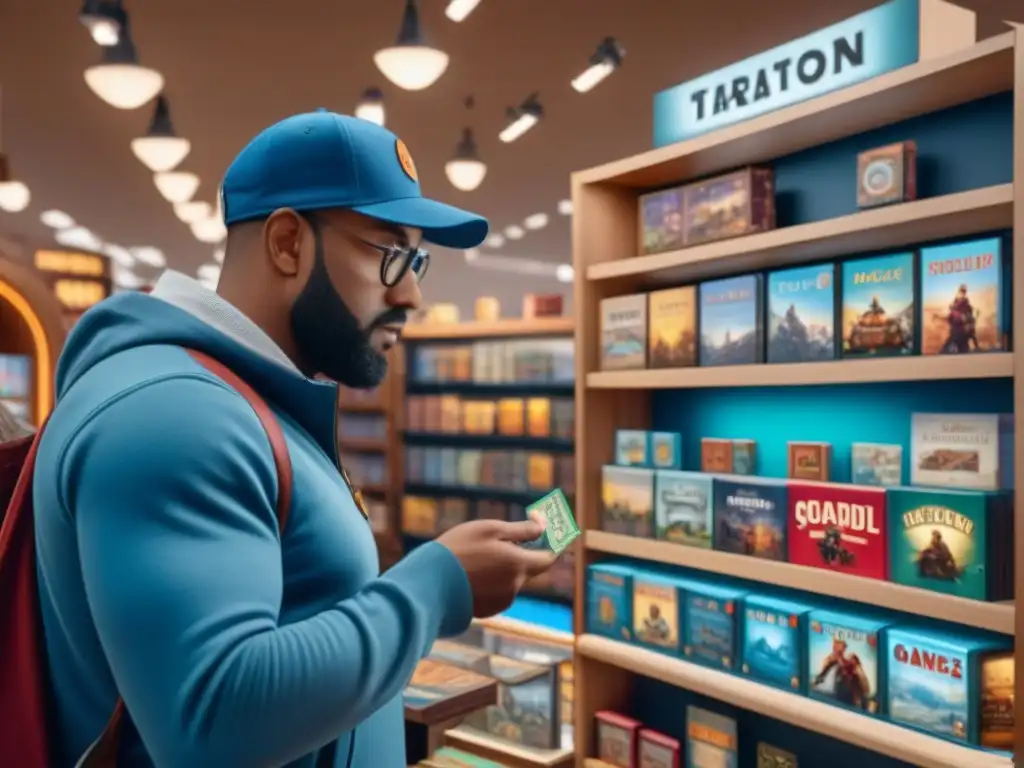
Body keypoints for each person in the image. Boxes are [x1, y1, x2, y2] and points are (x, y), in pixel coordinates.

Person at [32, 110, 558, 768]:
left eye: (416, 260)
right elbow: (213, 724)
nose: (413, 296)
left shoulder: (245, 402)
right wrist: (437, 586)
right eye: (391, 256)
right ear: (287, 243)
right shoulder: (176, 414)